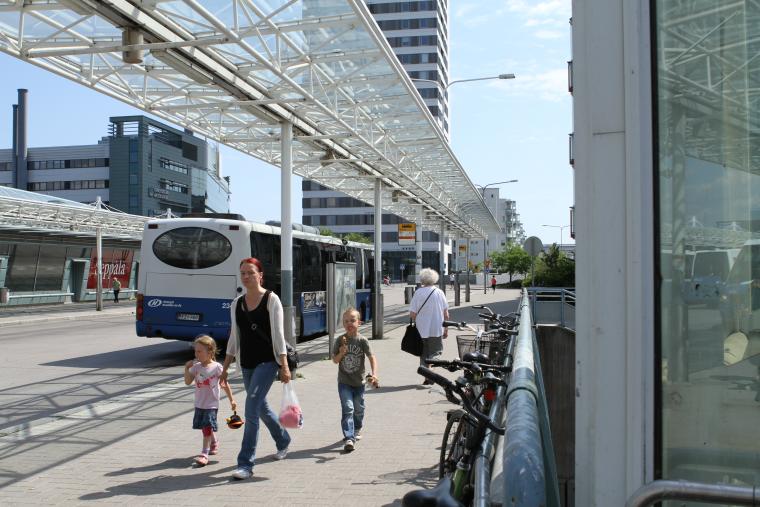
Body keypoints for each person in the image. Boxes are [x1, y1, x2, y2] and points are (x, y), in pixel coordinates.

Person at [221, 258, 292, 480]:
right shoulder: (236, 304)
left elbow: (279, 335)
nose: (246, 277)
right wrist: (224, 368)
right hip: (247, 363)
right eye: (243, 273)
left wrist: (284, 365)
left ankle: (245, 464)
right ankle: (283, 439)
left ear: (260, 275)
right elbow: (234, 337)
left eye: (250, 273)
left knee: (250, 408)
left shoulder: (272, 300)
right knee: (260, 407)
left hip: (267, 362)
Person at [184, 335, 237, 467]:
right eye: (195, 351)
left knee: (207, 425)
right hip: (199, 403)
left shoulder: (217, 367)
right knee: (205, 426)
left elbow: (224, 383)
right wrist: (186, 369)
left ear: (210, 351)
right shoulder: (196, 367)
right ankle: (214, 442)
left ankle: (204, 453)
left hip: (212, 403)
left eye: (200, 351)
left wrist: (232, 400)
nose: (197, 354)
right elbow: (187, 382)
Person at [331, 307, 379, 452]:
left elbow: (372, 357)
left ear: (359, 322)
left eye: (352, 320)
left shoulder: (362, 340)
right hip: (344, 382)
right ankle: (349, 438)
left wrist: (374, 374)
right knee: (348, 409)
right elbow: (335, 360)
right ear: (343, 324)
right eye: (346, 321)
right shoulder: (340, 340)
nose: (349, 323)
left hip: (359, 383)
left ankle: (357, 427)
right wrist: (341, 353)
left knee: (359, 409)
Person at [409, 268, 449, 385]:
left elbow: (412, 313)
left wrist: (421, 320)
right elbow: (446, 314)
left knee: (423, 354)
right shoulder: (439, 292)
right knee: (436, 352)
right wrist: (446, 329)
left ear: (422, 279)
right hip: (436, 329)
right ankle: (431, 371)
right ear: (434, 279)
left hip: (421, 330)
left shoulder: (418, 292)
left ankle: (427, 376)